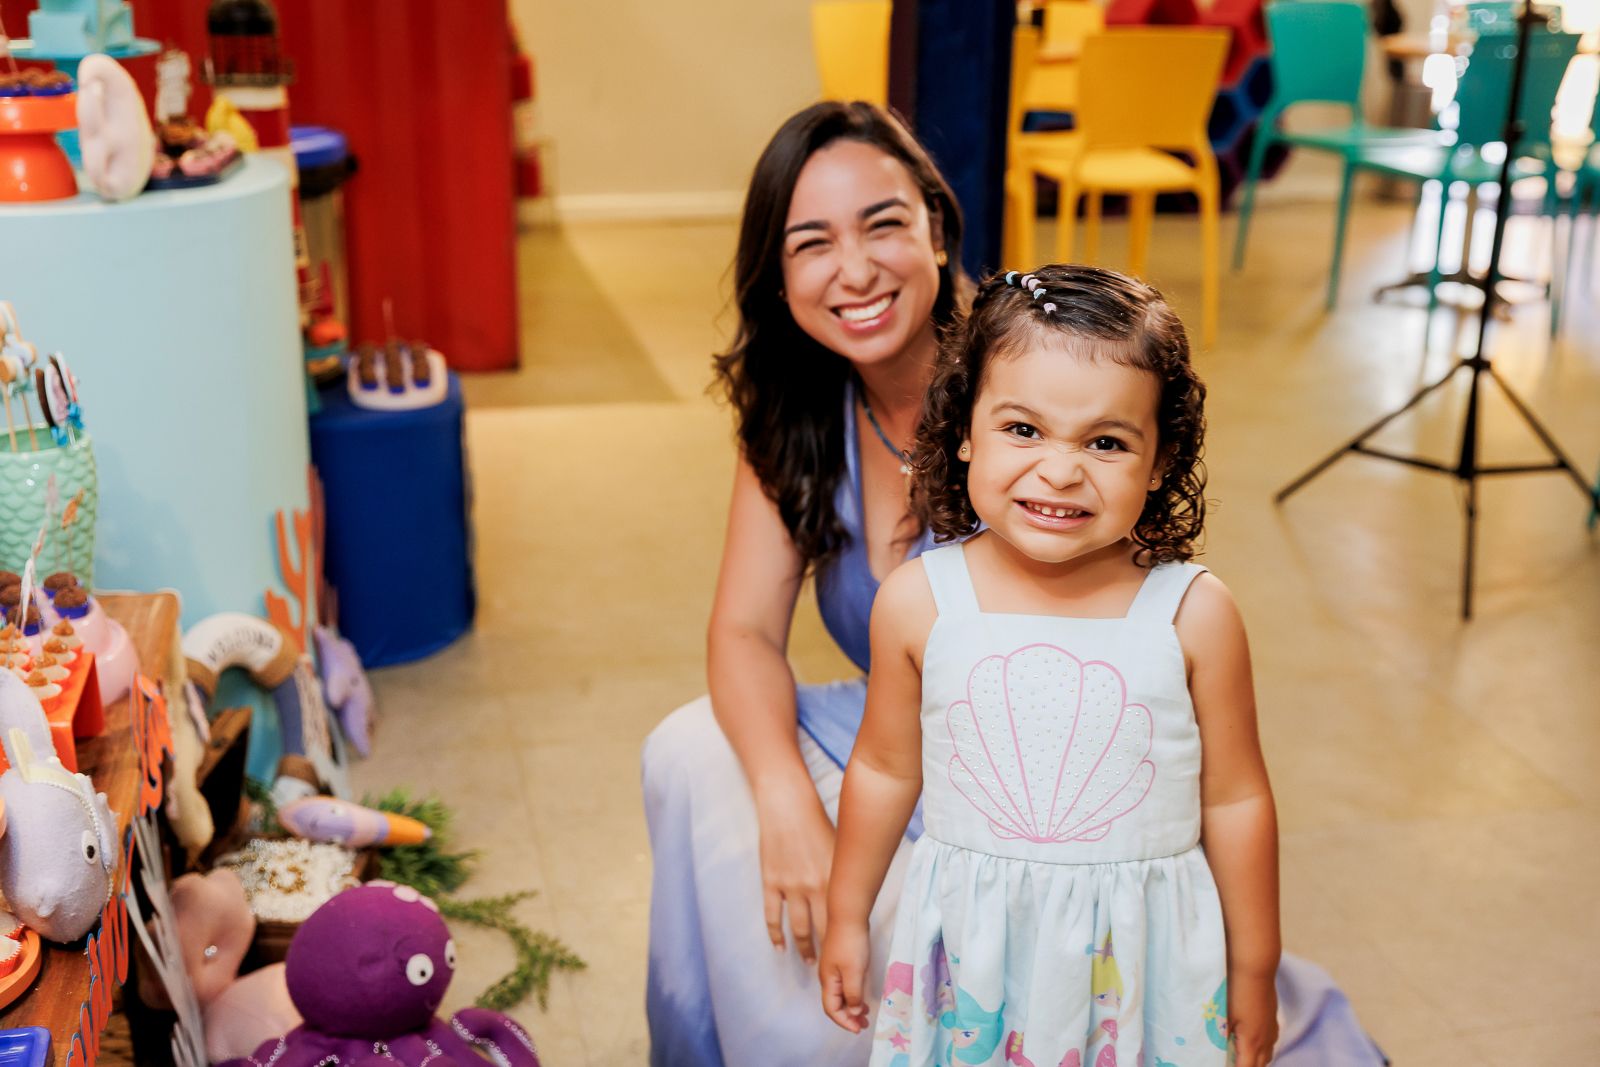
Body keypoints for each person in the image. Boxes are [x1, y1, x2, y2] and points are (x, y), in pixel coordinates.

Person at [819, 265, 1281, 1067]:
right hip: (970, 964)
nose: (1061, 471)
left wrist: (1255, 963)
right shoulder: (920, 601)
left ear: (1163, 457)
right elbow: (885, 771)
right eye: (1023, 429)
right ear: (965, 428)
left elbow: (1237, 798)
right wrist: (848, 913)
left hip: (1142, 973)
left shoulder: (1193, 615)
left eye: (1106, 441)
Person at [641, 101, 967, 1067]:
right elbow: (743, 631)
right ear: (779, 279)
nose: (855, 271)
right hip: (895, 734)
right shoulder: (803, 405)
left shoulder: (1025, 378)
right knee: (690, 751)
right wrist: (788, 802)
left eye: (883, 224)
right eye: (812, 243)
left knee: (841, 960)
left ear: (936, 231)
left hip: (1020, 773)